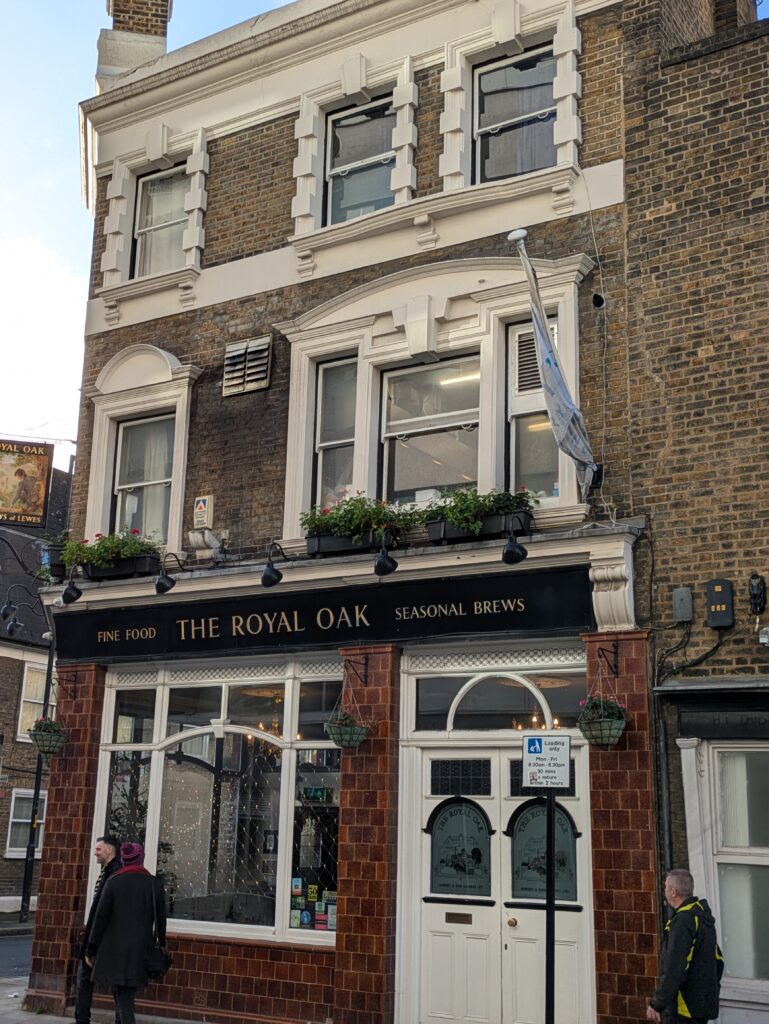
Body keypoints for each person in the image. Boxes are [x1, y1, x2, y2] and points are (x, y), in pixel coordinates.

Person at [85, 842, 166, 1024]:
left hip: (114, 949)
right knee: (123, 993)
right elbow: (161, 919)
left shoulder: (114, 882)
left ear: (123, 859)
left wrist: (91, 949)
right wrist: (161, 944)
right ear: (141, 858)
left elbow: (100, 918)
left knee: (123, 995)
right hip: (141, 948)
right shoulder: (153, 884)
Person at [647, 869, 724, 1024]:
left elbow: (675, 967)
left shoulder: (683, 922)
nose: (664, 891)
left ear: (673, 892)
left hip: (685, 1007)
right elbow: (718, 959)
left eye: (665, 887)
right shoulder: (701, 915)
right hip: (702, 1003)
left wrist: (657, 1004)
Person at [75, 835, 121, 1024]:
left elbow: (102, 913)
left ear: (109, 850)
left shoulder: (113, 874)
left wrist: (91, 946)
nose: (95, 853)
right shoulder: (109, 872)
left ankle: (82, 1019)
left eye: (98, 849)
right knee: (115, 982)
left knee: (85, 979)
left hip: (100, 937)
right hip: (102, 936)